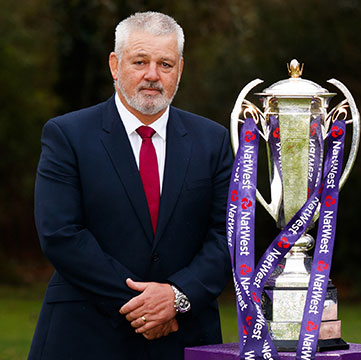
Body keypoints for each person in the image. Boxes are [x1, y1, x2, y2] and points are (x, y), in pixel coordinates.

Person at [29, 11, 232, 360]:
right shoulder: (67, 135)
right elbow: (61, 234)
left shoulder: (212, 141)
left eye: (165, 64)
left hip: (185, 338)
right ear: (114, 64)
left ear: (180, 69)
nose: (152, 75)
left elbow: (228, 235)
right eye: (140, 61)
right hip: (85, 337)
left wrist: (177, 296)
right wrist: (141, 305)